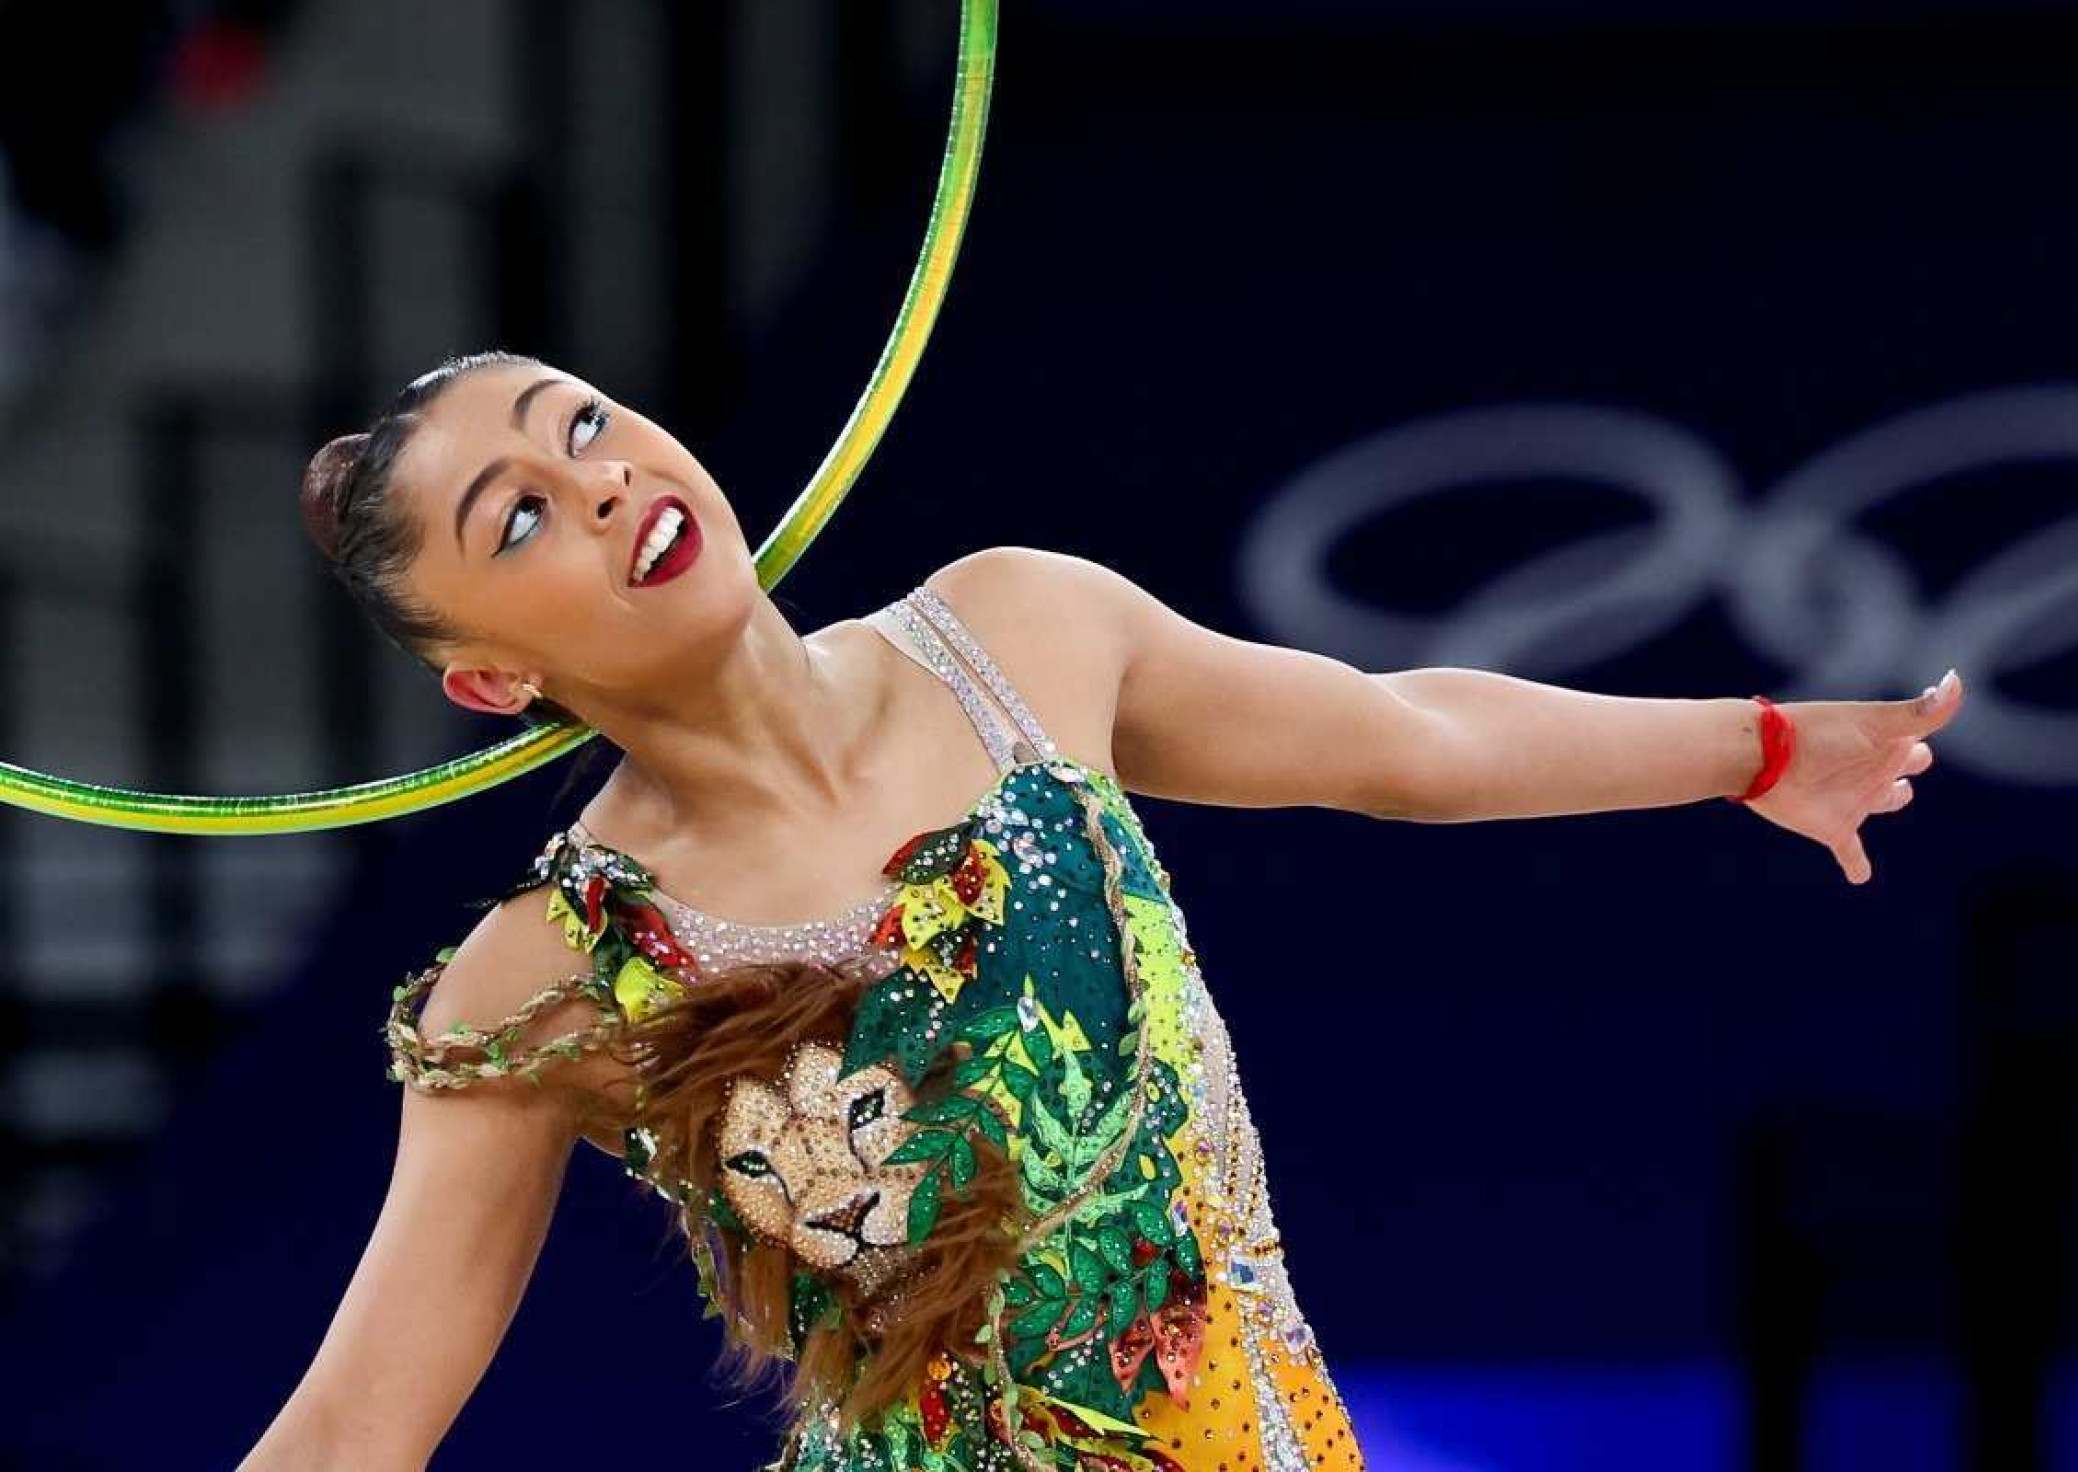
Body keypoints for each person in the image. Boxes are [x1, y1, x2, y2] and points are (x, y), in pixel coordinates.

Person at [239, 350, 1963, 1471]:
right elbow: (354, 1433)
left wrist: (1758, 746)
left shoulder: (1016, 636)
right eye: (523, 515)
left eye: (587, 423)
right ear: (486, 674)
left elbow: (1405, 735)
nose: (606, 482)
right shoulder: (544, 978)